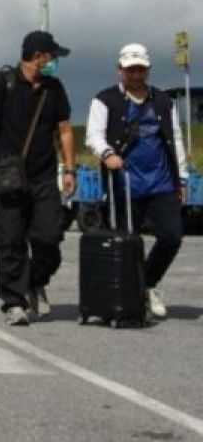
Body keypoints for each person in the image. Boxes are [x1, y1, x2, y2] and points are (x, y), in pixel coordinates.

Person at [0, 30, 75, 326]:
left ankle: (34, 280)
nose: (55, 61)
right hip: (8, 175)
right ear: (37, 56)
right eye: (52, 56)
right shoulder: (0, 84)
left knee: (49, 236)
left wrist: (70, 169)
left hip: (43, 175)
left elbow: (65, 130)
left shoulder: (54, 88)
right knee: (10, 239)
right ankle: (13, 302)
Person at [85, 43, 188, 319]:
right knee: (128, 241)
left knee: (172, 236)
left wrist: (182, 177)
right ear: (120, 70)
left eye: (140, 69)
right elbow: (94, 135)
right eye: (130, 70)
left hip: (161, 181)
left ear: (148, 70)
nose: (135, 75)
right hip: (124, 183)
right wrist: (107, 153)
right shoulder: (105, 100)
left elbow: (174, 138)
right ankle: (127, 294)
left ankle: (148, 284)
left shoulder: (164, 101)